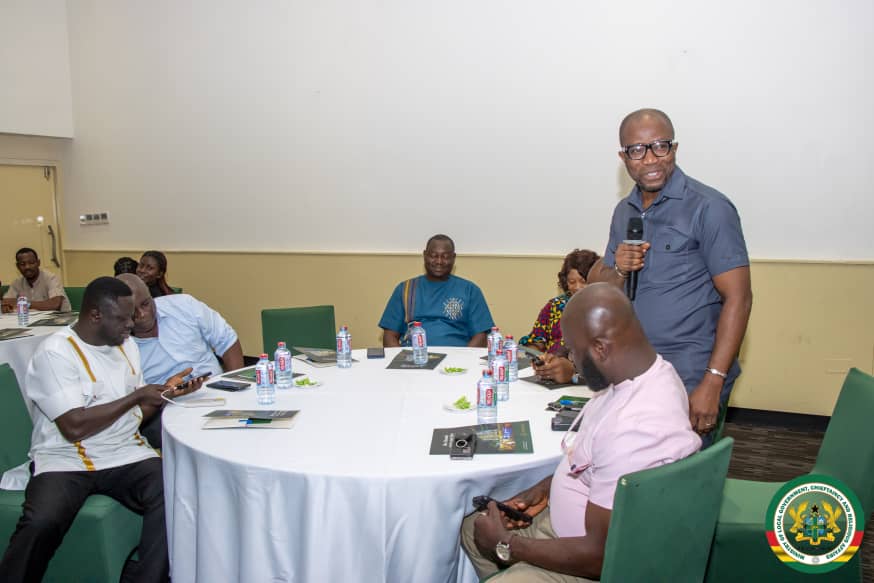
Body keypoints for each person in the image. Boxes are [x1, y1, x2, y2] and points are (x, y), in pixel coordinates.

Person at [460, 283, 700, 581]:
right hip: (575, 525)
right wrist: (545, 489)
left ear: (600, 349)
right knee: (472, 528)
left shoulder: (635, 426)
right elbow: (595, 463)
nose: (571, 361)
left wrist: (507, 545)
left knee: (490, 539)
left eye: (573, 352)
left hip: (593, 560)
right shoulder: (652, 373)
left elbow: (601, 557)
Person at [0, 277, 203, 582]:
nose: (131, 325)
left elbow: (134, 415)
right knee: (41, 521)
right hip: (65, 459)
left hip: (123, 452)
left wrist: (161, 395)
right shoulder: (55, 352)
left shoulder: (127, 346)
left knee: (176, 490)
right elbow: (74, 426)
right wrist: (137, 395)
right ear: (95, 315)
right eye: (123, 318)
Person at [593, 108, 752, 445]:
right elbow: (605, 290)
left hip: (690, 372)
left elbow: (739, 298)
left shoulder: (709, 207)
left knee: (682, 469)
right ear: (624, 158)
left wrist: (713, 381)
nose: (650, 159)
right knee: (633, 465)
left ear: (674, 148)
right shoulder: (624, 212)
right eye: (637, 150)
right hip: (635, 370)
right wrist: (619, 268)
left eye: (660, 146)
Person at [117, 273, 243, 447]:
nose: (143, 314)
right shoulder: (117, 346)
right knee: (201, 439)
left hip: (217, 391)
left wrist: (235, 386)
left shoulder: (183, 305)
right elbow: (131, 406)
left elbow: (227, 340)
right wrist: (166, 392)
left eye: (146, 304)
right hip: (164, 409)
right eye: (132, 312)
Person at [379, 234, 494, 347]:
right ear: (425, 255)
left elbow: (481, 336)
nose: (439, 261)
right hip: (414, 356)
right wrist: (401, 358)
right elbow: (389, 335)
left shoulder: (470, 290)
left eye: (445, 257)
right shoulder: (405, 289)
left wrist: (464, 358)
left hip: (458, 357)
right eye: (433, 256)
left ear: (453, 258)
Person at [519, 249, 600, 355]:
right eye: (572, 282)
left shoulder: (602, 310)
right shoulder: (554, 305)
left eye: (583, 282)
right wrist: (536, 353)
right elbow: (537, 339)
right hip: (550, 362)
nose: (577, 287)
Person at [1, 248, 71, 313]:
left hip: (60, 319)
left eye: (31, 263)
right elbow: (7, 302)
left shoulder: (51, 278)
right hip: (31, 320)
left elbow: (54, 304)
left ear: (38, 263)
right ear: (17, 266)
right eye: (22, 264)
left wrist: (25, 303)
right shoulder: (17, 283)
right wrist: (6, 306)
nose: (27, 267)